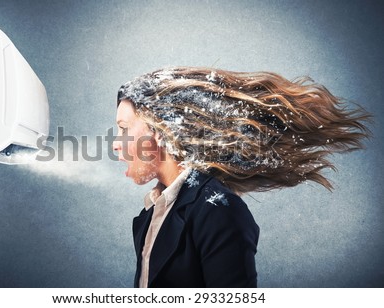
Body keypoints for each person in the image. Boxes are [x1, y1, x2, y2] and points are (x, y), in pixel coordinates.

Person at [112, 66, 370, 288]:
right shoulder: (152, 215)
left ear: (159, 131)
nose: (115, 144)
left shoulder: (216, 210)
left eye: (124, 129)